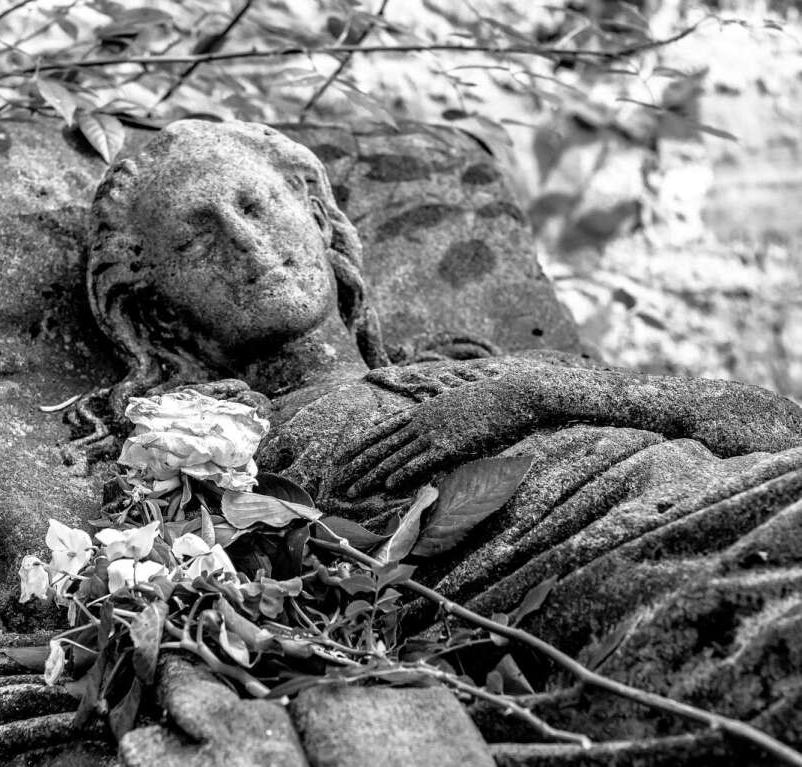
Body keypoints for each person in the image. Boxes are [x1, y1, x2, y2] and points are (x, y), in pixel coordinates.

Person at [87, 120, 802, 751]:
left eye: (256, 205)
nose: (245, 244)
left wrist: (537, 392)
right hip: (597, 573)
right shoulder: (218, 456)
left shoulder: (487, 364)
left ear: (312, 214)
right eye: (194, 237)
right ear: (163, 315)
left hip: (729, 489)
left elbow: (779, 425)